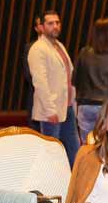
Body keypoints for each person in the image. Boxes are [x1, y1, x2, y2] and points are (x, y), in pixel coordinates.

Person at [27, 10, 80, 166]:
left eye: (57, 22)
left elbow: (68, 75)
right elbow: (40, 83)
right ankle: (51, 179)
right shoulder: (38, 49)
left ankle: (76, 177)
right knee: (52, 152)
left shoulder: (59, 46)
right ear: (42, 27)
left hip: (67, 106)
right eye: (50, 23)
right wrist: (50, 110)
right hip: (52, 110)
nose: (55, 26)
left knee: (73, 148)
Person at [22, 15, 43, 131]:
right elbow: (27, 73)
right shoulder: (30, 47)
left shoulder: (58, 47)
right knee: (35, 129)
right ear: (36, 28)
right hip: (36, 93)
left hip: (55, 98)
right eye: (41, 24)